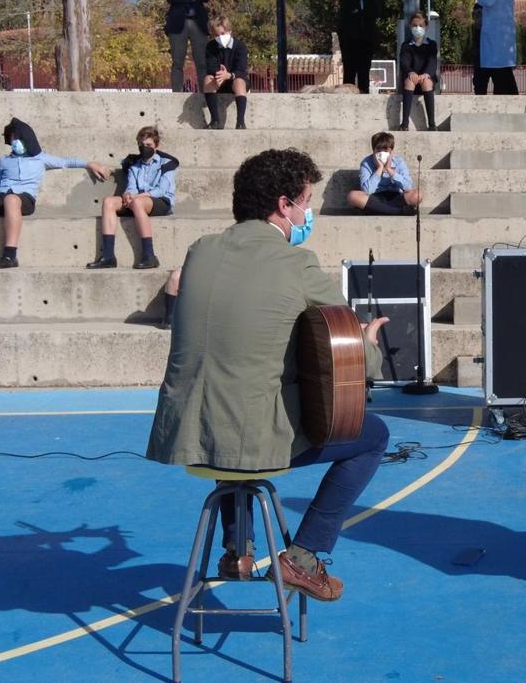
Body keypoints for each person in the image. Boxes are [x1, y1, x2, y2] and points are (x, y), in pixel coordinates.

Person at [147, 148, 390, 601]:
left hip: (187, 436)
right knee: (373, 436)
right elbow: (352, 352)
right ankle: (303, 555)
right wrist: (371, 348)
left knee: (232, 400)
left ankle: (237, 550)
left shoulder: (200, 251)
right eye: (306, 201)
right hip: (250, 442)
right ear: (284, 205)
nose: (308, 212)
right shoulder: (296, 264)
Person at [0, 118, 107, 270]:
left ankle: (10, 254)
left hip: (23, 198)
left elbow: (66, 161)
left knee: (11, 199)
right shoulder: (4, 160)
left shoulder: (41, 158)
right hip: (0, 195)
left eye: (17, 138)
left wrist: (90, 164)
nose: (14, 142)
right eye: (12, 139)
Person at [87, 126, 178, 270]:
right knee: (109, 202)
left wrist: (137, 197)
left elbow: (161, 190)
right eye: (141, 145)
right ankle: (109, 257)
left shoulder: (166, 163)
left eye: (148, 145)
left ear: (156, 145)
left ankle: (149, 255)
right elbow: (131, 187)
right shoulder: (134, 165)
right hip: (138, 200)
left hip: (161, 201)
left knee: (137, 202)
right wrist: (128, 194)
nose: (144, 148)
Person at [347, 132, 422, 215]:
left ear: (391, 151)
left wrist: (390, 170)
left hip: (396, 197)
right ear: (373, 150)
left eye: (385, 149)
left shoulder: (399, 161)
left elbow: (408, 187)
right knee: (352, 196)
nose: (382, 152)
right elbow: (366, 190)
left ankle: (376, 210)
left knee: (418, 195)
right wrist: (379, 169)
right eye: (378, 149)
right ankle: (398, 211)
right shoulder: (366, 163)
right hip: (374, 197)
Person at [201, 17, 249, 130]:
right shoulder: (211, 46)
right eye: (217, 35)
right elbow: (210, 66)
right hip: (219, 80)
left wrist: (229, 75)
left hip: (235, 79)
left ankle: (240, 122)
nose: (220, 37)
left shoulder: (240, 46)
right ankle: (215, 121)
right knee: (208, 79)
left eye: (222, 33)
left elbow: (241, 69)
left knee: (239, 82)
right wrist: (220, 75)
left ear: (230, 31)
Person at [164, 0, 210, 92]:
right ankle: (177, 93)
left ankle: (205, 94)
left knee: (202, 62)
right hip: (177, 23)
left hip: (198, 22)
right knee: (177, 62)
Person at [473, 0, 517, 95]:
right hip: (502, 37)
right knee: (504, 80)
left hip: (494, 38)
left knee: (489, 79)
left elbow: (488, 0)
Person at [398, 12, 439, 131]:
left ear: (426, 27)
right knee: (409, 82)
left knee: (426, 83)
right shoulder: (406, 45)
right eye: (414, 25)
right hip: (412, 79)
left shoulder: (432, 44)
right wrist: (411, 72)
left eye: (421, 25)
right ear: (410, 26)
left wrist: (426, 74)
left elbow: (432, 62)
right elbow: (404, 62)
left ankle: (432, 124)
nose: (418, 28)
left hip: (426, 78)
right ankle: (404, 124)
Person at [337, 0, 381, 94]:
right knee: (349, 72)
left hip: (366, 41)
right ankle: (348, 97)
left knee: (364, 72)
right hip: (349, 42)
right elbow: (345, 15)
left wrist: (359, 12)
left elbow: (376, 13)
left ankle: (364, 94)